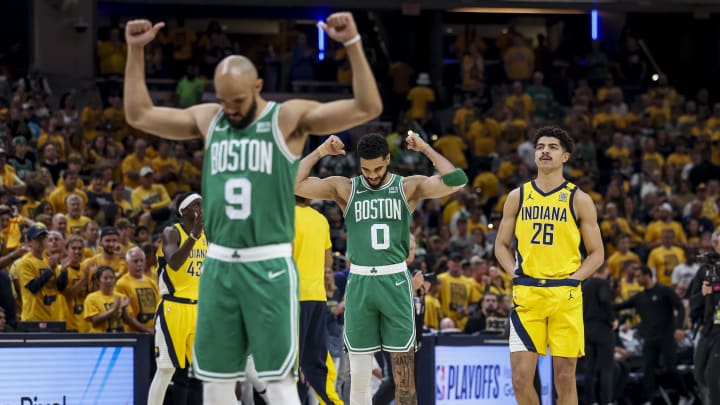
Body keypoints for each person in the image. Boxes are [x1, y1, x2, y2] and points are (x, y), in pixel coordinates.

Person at [124, 12, 381, 405]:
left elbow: (367, 106)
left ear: (259, 86)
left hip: (269, 263)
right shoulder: (210, 118)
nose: (231, 109)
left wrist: (352, 44)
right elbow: (139, 115)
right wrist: (135, 51)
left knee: (277, 382)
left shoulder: (286, 118)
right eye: (223, 101)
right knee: (216, 383)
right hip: (220, 262)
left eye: (239, 100)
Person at [295, 131, 468, 405]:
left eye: (378, 168)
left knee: (403, 377)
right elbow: (293, 183)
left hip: (395, 281)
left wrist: (424, 148)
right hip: (360, 281)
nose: (372, 175)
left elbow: (457, 180)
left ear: (388, 159)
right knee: (360, 378)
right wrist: (320, 152)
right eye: (366, 169)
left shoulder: (407, 187)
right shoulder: (346, 188)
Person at [494, 126, 604, 405]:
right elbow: (500, 246)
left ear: (565, 156)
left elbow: (596, 254)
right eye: (540, 146)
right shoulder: (517, 196)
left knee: (564, 379)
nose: (545, 151)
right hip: (528, 295)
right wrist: (514, 272)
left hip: (564, 296)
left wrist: (573, 280)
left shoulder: (579, 199)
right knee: (520, 380)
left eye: (553, 147)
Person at [148, 192, 206, 405]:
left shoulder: (206, 236)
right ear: (184, 210)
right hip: (173, 307)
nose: (202, 207)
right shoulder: (172, 232)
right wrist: (194, 236)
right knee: (166, 369)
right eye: (196, 204)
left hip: (198, 309)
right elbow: (174, 262)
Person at [614, 266, 693, 405]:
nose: (636, 279)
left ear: (647, 276)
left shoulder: (664, 290)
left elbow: (680, 307)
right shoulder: (639, 297)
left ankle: (686, 395)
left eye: (639, 276)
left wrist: (679, 328)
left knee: (670, 367)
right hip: (649, 338)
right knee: (647, 370)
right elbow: (619, 306)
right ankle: (649, 400)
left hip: (667, 337)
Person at [292, 195, 343, 404]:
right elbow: (328, 260)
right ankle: (331, 401)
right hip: (316, 297)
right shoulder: (321, 219)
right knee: (318, 361)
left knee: (291, 362)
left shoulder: (283, 215)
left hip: (292, 296)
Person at [581, 263, 617, 405]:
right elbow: (604, 299)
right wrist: (612, 318)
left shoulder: (585, 285)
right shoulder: (602, 283)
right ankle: (606, 401)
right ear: (606, 270)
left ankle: (591, 401)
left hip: (586, 329)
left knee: (589, 369)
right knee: (606, 368)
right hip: (601, 329)